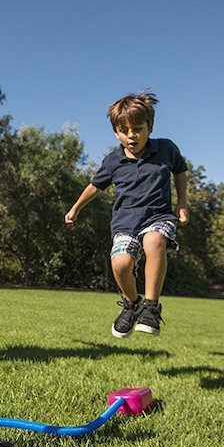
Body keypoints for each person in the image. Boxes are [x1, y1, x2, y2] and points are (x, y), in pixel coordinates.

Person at [65, 90, 188, 337]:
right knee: (120, 263)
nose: (131, 135)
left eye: (138, 129)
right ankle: (132, 305)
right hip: (125, 223)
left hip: (158, 217)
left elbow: (181, 170)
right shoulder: (113, 161)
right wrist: (75, 208)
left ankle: (151, 308)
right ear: (116, 132)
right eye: (124, 130)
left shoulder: (165, 149)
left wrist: (182, 203)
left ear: (150, 127)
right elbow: (94, 187)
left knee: (154, 241)